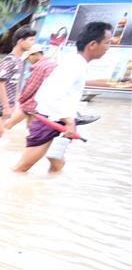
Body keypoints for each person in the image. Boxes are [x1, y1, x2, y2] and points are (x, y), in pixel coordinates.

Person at [14, 22, 113, 174]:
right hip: (50, 122)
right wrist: (68, 120)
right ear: (93, 44)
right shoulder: (74, 65)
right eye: (107, 42)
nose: (108, 47)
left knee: (57, 163)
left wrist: (71, 118)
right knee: (22, 167)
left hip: (60, 121)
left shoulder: (79, 64)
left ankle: (45, 192)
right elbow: (49, 94)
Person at [0, 25, 36, 138]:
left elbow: (15, 85)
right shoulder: (9, 61)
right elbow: (0, 84)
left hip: (7, 106)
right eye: (31, 39)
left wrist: (15, 103)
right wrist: (6, 107)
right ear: (20, 41)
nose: (33, 43)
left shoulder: (19, 61)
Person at [4, 44, 56, 130]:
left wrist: (20, 99)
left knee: (8, 125)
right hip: (41, 106)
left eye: (28, 57)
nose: (28, 60)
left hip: (31, 104)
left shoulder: (40, 66)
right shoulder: (51, 64)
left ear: (36, 54)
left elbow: (31, 87)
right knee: (31, 129)